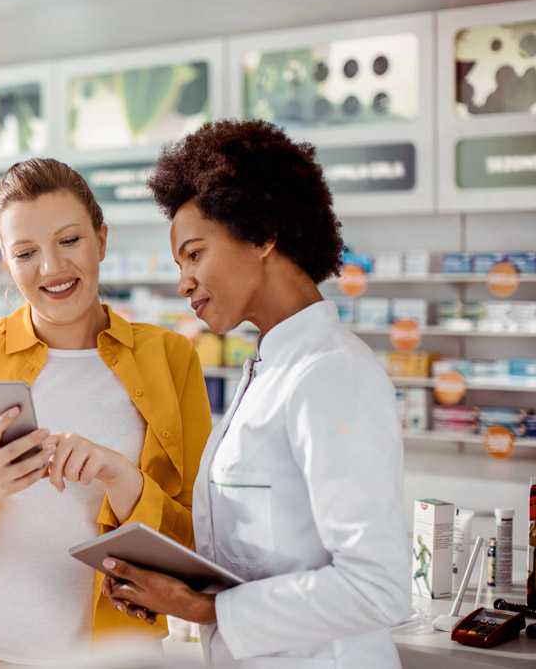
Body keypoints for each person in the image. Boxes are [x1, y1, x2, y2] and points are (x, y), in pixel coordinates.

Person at [101, 120, 409, 668]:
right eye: (179, 264)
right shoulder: (269, 370)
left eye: (194, 254)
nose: (183, 282)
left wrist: (206, 609)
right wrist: (172, 586)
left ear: (264, 235)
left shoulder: (333, 373)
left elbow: (377, 587)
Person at [0, 158, 211, 668]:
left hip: (108, 659)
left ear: (101, 239)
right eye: (26, 253)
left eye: (69, 240)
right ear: (6, 263)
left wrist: (122, 479)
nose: (52, 268)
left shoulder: (169, 358)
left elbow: (197, 543)